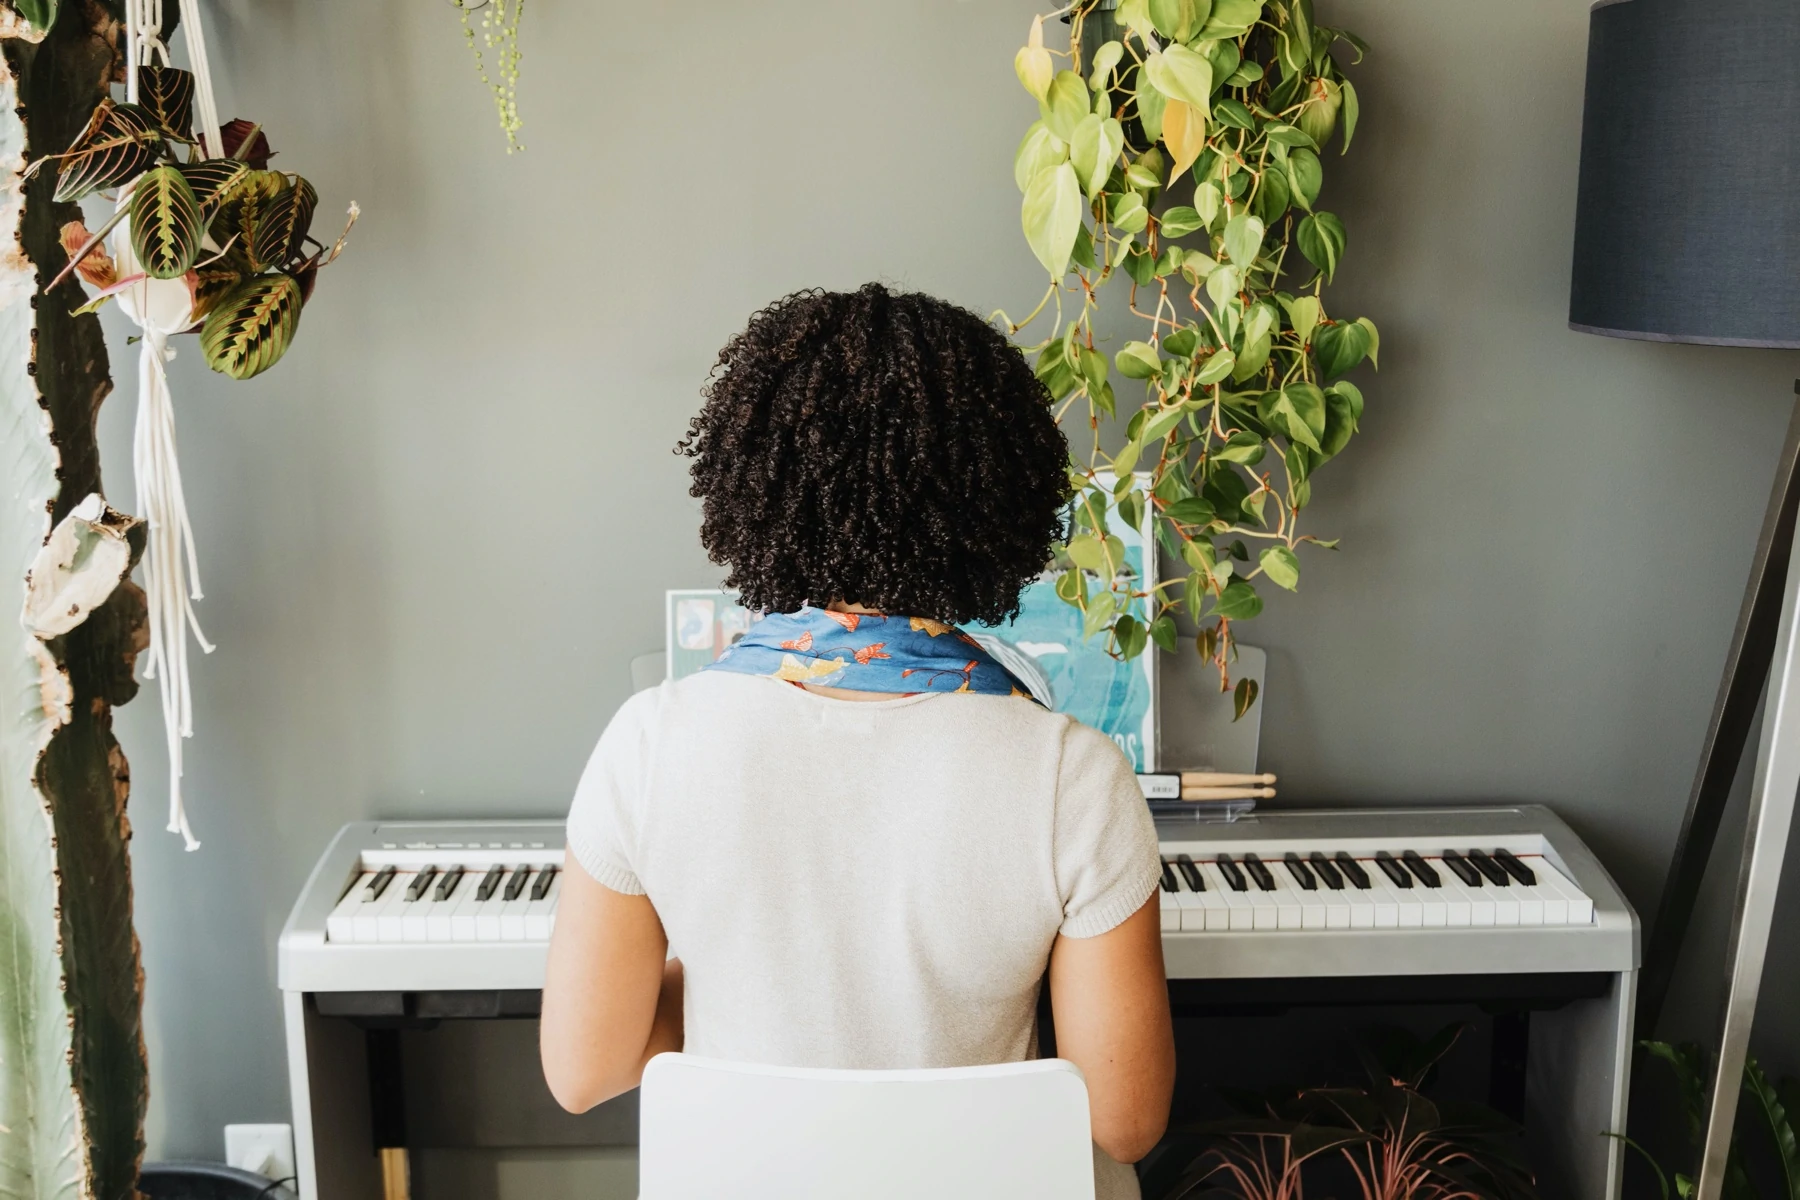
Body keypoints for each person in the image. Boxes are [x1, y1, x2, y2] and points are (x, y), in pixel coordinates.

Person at [540, 282, 1174, 1198]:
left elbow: (582, 1069)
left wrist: (729, 977)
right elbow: (1124, 1118)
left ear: (751, 485)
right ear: (1000, 501)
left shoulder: (651, 743)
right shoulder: (1074, 773)